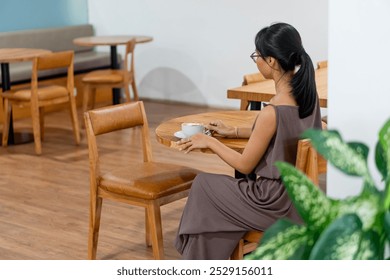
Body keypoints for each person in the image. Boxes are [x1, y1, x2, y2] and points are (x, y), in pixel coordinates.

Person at [174, 22, 322, 259]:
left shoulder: (271, 112)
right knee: (215, 198)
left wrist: (210, 141)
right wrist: (232, 131)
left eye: (257, 55)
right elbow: (286, 130)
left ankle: (198, 261)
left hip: (273, 202)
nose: (256, 60)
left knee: (204, 185)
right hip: (298, 197)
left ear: (271, 61)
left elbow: (244, 165)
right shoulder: (308, 96)